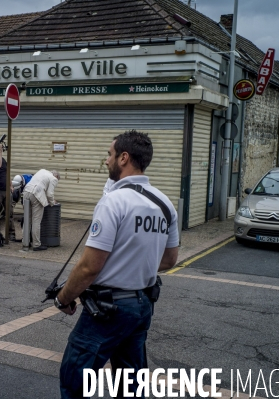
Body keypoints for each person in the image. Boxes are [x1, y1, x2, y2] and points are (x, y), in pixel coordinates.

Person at [54, 130, 179, 398]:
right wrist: (133, 266)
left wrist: (63, 298)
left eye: (110, 155)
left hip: (109, 309)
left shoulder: (113, 201)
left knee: (75, 380)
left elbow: (90, 267)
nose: (106, 160)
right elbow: (169, 259)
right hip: (143, 305)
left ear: (124, 157)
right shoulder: (165, 204)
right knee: (132, 385)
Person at [22, 169, 60, 251]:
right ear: (56, 176)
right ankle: (36, 244)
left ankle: (25, 242)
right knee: (36, 220)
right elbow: (50, 194)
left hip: (26, 192)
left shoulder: (42, 171)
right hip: (36, 194)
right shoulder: (54, 179)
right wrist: (52, 202)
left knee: (27, 219)